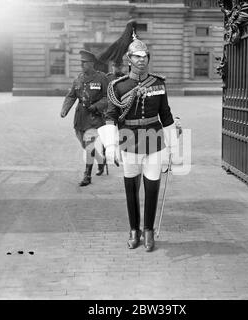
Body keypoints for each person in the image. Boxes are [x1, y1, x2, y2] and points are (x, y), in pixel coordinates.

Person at [98, 31, 180, 252]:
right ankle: (134, 230)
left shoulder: (159, 84)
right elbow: (110, 116)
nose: (142, 59)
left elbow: (167, 116)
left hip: (154, 142)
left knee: (152, 187)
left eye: (145, 56)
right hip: (129, 142)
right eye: (137, 56)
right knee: (131, 189)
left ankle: (149, 230)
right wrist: (112, 145)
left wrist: (173, 147)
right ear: (129, 60)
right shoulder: (118, 87)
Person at [60, 50, 109, 186]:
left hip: (94, 118)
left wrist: (96, 106)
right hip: (80, 118)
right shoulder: (79, 78)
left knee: (88, 145)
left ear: (92, 63)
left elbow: (107, 97)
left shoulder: (101, 78)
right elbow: (71, 95)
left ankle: (87, 175)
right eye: (81, 63)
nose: (82, 65)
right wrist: (65, 109)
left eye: (84, 63)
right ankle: (100, 160)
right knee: (85, 145)